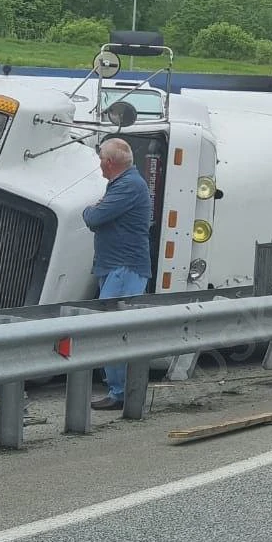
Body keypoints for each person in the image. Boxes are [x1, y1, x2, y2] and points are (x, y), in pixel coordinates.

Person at [82, 138, 152, 411]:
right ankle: (120, 390)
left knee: (114, 330)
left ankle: (122, 392)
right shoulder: (124, 184)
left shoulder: (128, 186)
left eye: (101, 158)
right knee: (113, 329)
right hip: (116, 266)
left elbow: (95, 218)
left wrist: (90, 209)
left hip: (125, 268)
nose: (99, 163)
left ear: (109, 162)